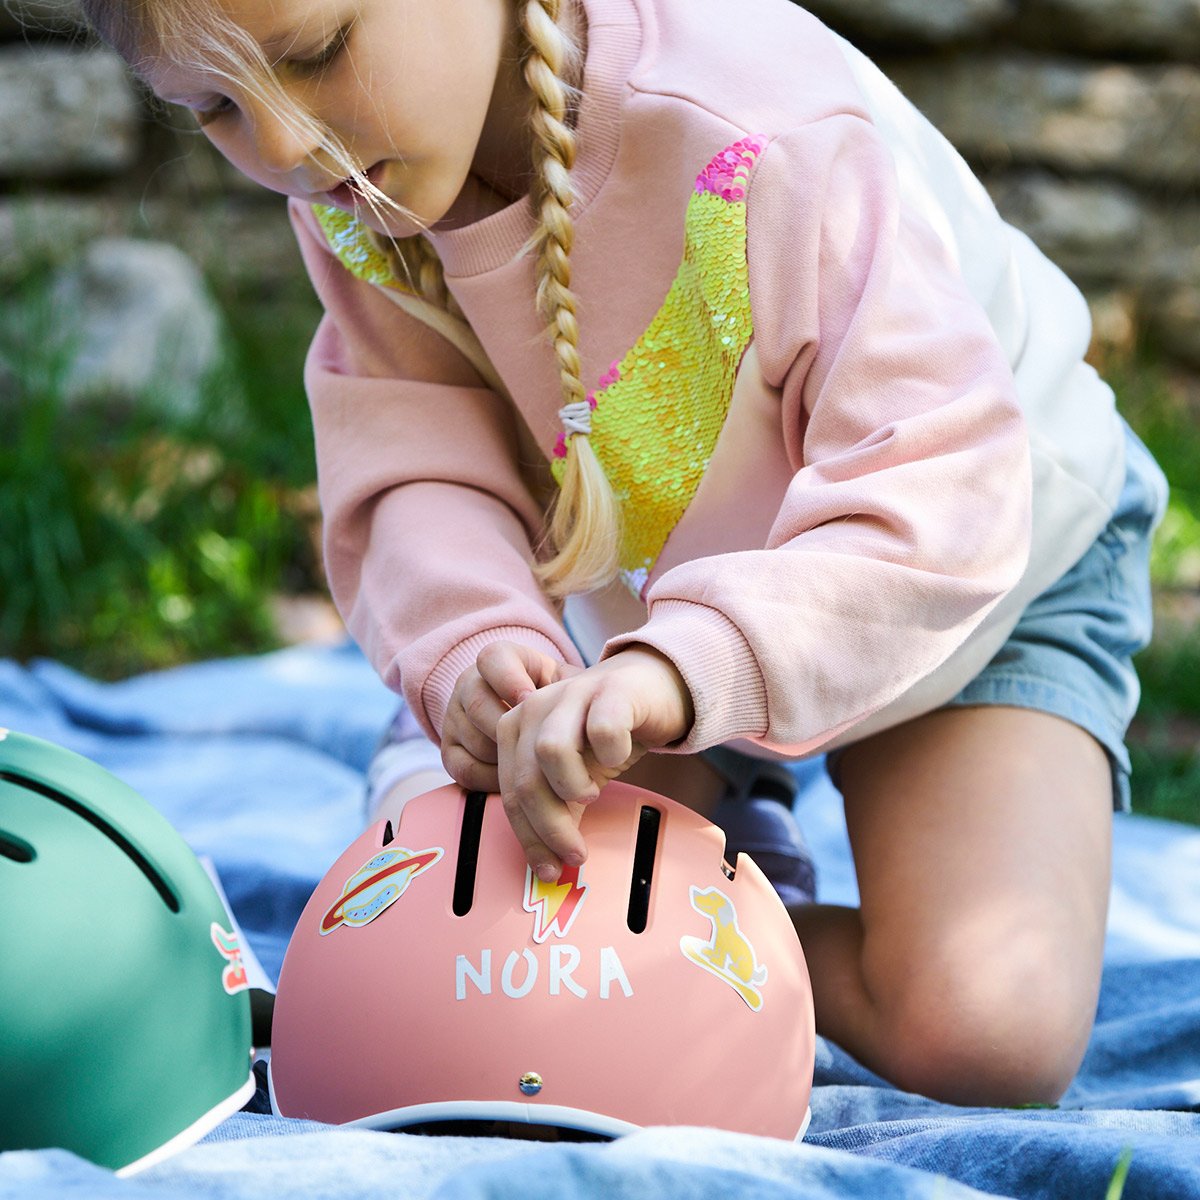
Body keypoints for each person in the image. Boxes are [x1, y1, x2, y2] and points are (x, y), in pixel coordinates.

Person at [81, 0, 1167, 1107]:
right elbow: (415, 459)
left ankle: (726, 907)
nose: (279, 147)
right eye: (213, 106)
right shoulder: (356, 174)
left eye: (317, 54)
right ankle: (661, 833)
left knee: (984, 1033)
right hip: (643, 616)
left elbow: (937, 486)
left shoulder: (762, 126)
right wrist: (477, 651)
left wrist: (688, 672)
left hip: (971, 581)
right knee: (466, 976)